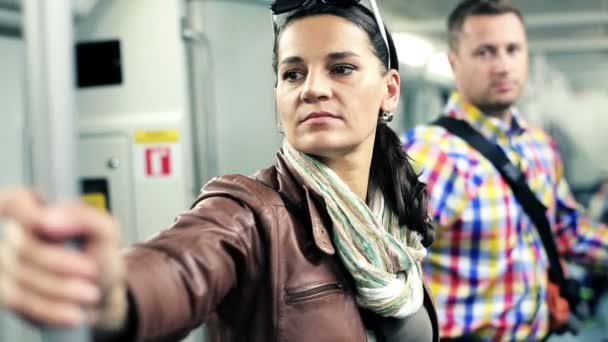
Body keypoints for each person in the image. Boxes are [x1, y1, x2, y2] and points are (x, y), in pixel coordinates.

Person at [0, 1, 439, 341]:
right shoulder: (251, 214)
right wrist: (111, 295)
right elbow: (180, 267)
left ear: (390, 91)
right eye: (293, 74)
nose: (313, 89)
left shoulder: (393, 214)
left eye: (341, 69)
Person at [403, 0, 608, 340]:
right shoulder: (431, 154)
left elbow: (567, 232)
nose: (502, 65)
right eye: (485, 52)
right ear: (454, 61)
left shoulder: (538, 146)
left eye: (512, 50)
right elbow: (389, 266)